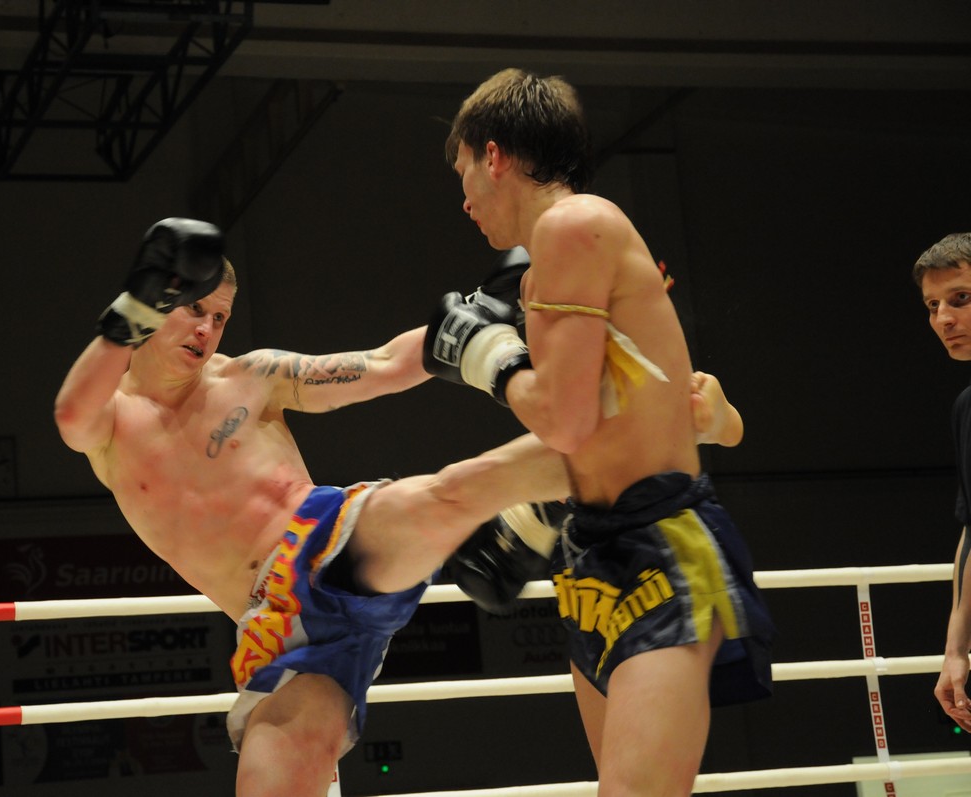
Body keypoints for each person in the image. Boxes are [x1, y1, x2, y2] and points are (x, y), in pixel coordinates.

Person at [54, 218, 743, 797]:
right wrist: (136, 306)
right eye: (194, 308)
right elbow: (70, 414)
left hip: (327, 539)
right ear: (156, 301)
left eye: (220, 316)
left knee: (447, 495)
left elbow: (382, 365)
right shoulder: (113, 423)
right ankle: (567, 481)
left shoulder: (250, 376)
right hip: (283, 633)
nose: (207, 328)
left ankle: (609, 447)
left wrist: (486, 308)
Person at [424, 68, 775, 796]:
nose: (463, 200)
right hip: (593, 550)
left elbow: (561, 415)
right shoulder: (540, 271)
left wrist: (487, 356)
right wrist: (531, 508)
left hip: (664, 544)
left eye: (463, 172)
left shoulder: (576, 224)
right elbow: (601, 424)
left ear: (495, 156)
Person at [912, 231, 971, 734]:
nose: (943, 319)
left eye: (961, 298)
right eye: (933, 306)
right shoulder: (966, 408)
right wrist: (955, 650)